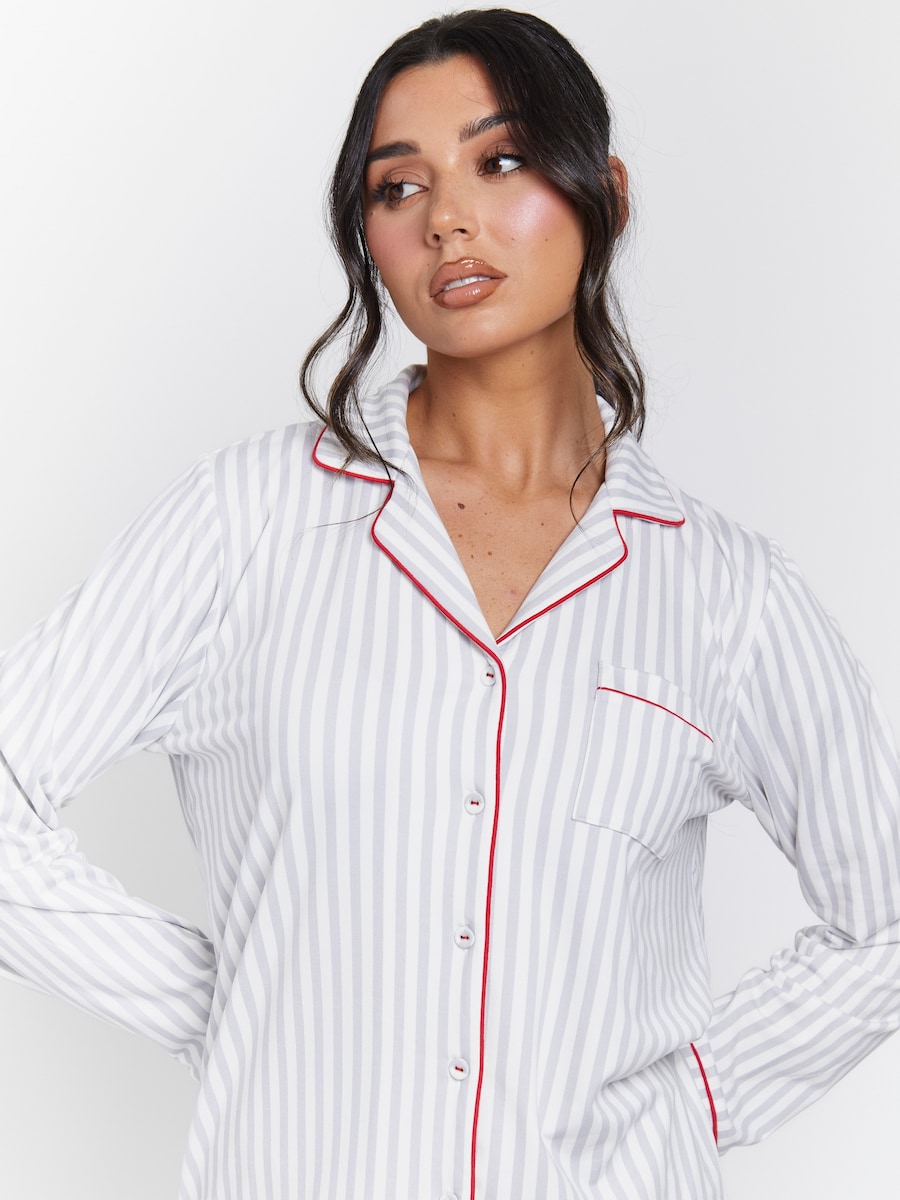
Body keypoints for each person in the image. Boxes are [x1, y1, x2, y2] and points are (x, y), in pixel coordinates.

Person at [0, 8, 898, 1199]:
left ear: (605, 192)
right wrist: (236, 1009)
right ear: (367, 236)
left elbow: (884, 922)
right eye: (399, 186)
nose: (448, 219)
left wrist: (692, 1104)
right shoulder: (246, 523)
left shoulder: (725, 594)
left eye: (501, 159)